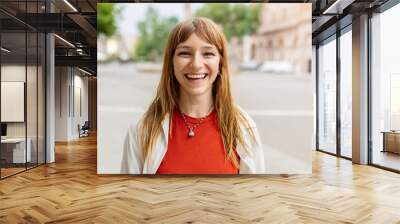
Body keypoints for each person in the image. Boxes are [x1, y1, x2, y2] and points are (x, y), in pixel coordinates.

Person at [121, 17, 265, 174]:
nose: (196, 64)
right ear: (171, 61)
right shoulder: (141, 130)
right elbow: (130, 197)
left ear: (220, 62)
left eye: (208, 53)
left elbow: (254, 196)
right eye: (184, 53)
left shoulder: (244, 127)